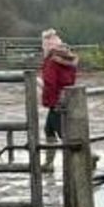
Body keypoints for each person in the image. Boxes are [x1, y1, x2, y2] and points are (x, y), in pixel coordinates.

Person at [40, 28, 79, 166]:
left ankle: (87, 156)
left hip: (56, 101)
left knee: (63, 133)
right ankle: (48, 163)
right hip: (67, 97)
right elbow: (70, 80)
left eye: (43, 45)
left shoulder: (52, 61)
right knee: (49, 130)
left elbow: (50, 82)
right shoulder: (68, 58)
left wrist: (49, 101)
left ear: (47, 45)